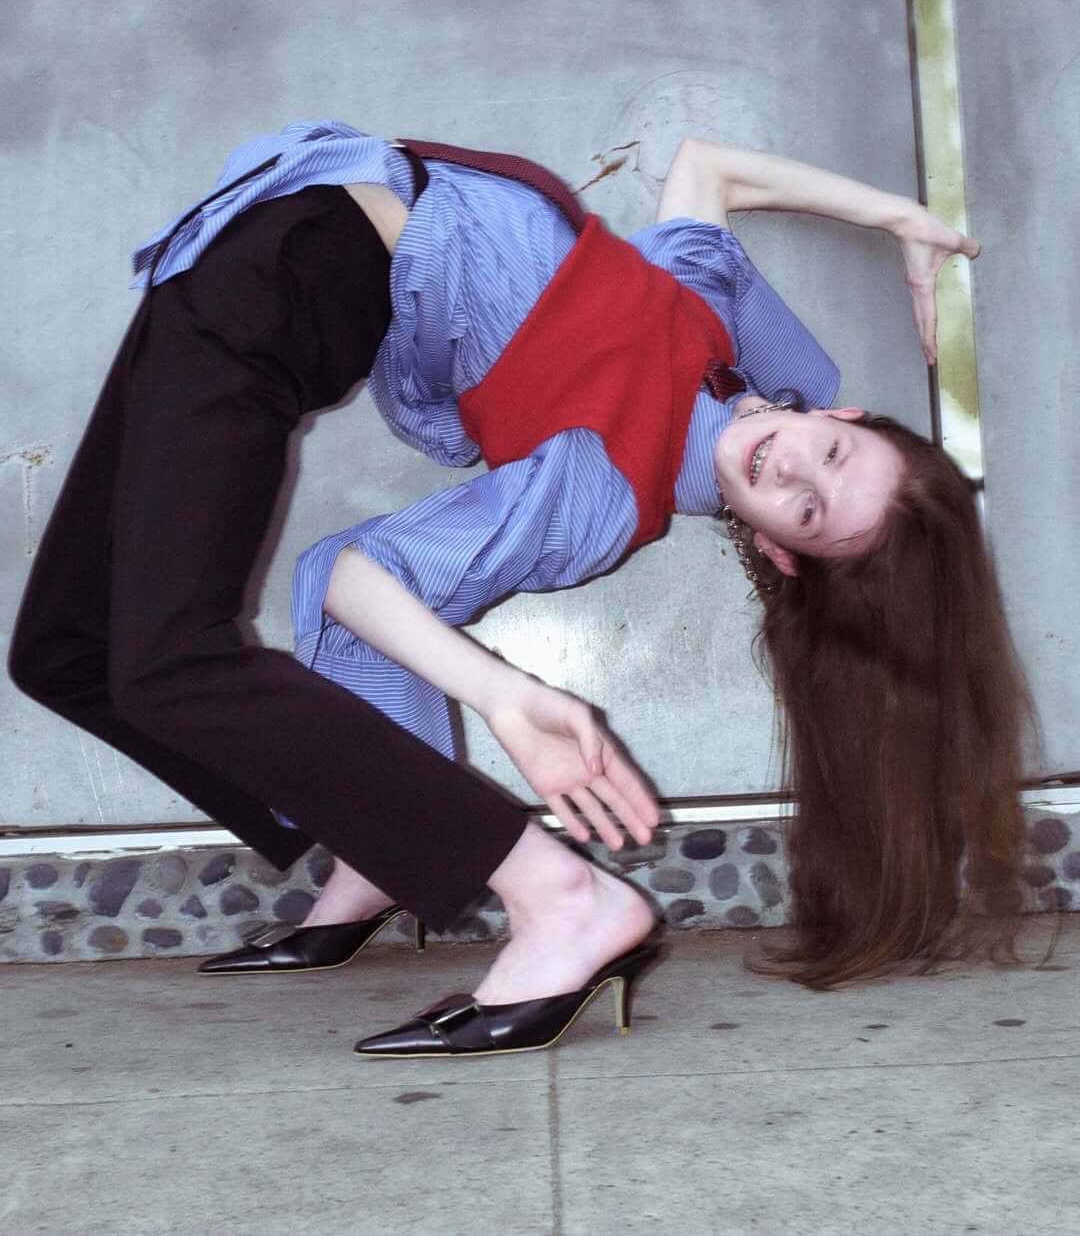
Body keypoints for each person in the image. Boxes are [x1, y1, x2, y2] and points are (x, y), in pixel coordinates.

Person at [7, 121, 1029, 1060]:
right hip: (262, 226)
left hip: (288, 271)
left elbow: (355, 577)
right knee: (64, 651)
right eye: (834, 454)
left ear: (780, 551)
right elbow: (707, 168)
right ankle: (382, 843)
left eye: (808, 512)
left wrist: (502, 694)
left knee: (171, 662)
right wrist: (900, 217)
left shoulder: (603, 489)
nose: (793, 472)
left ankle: (555, 893)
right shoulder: (704, 318)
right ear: (840, 414)